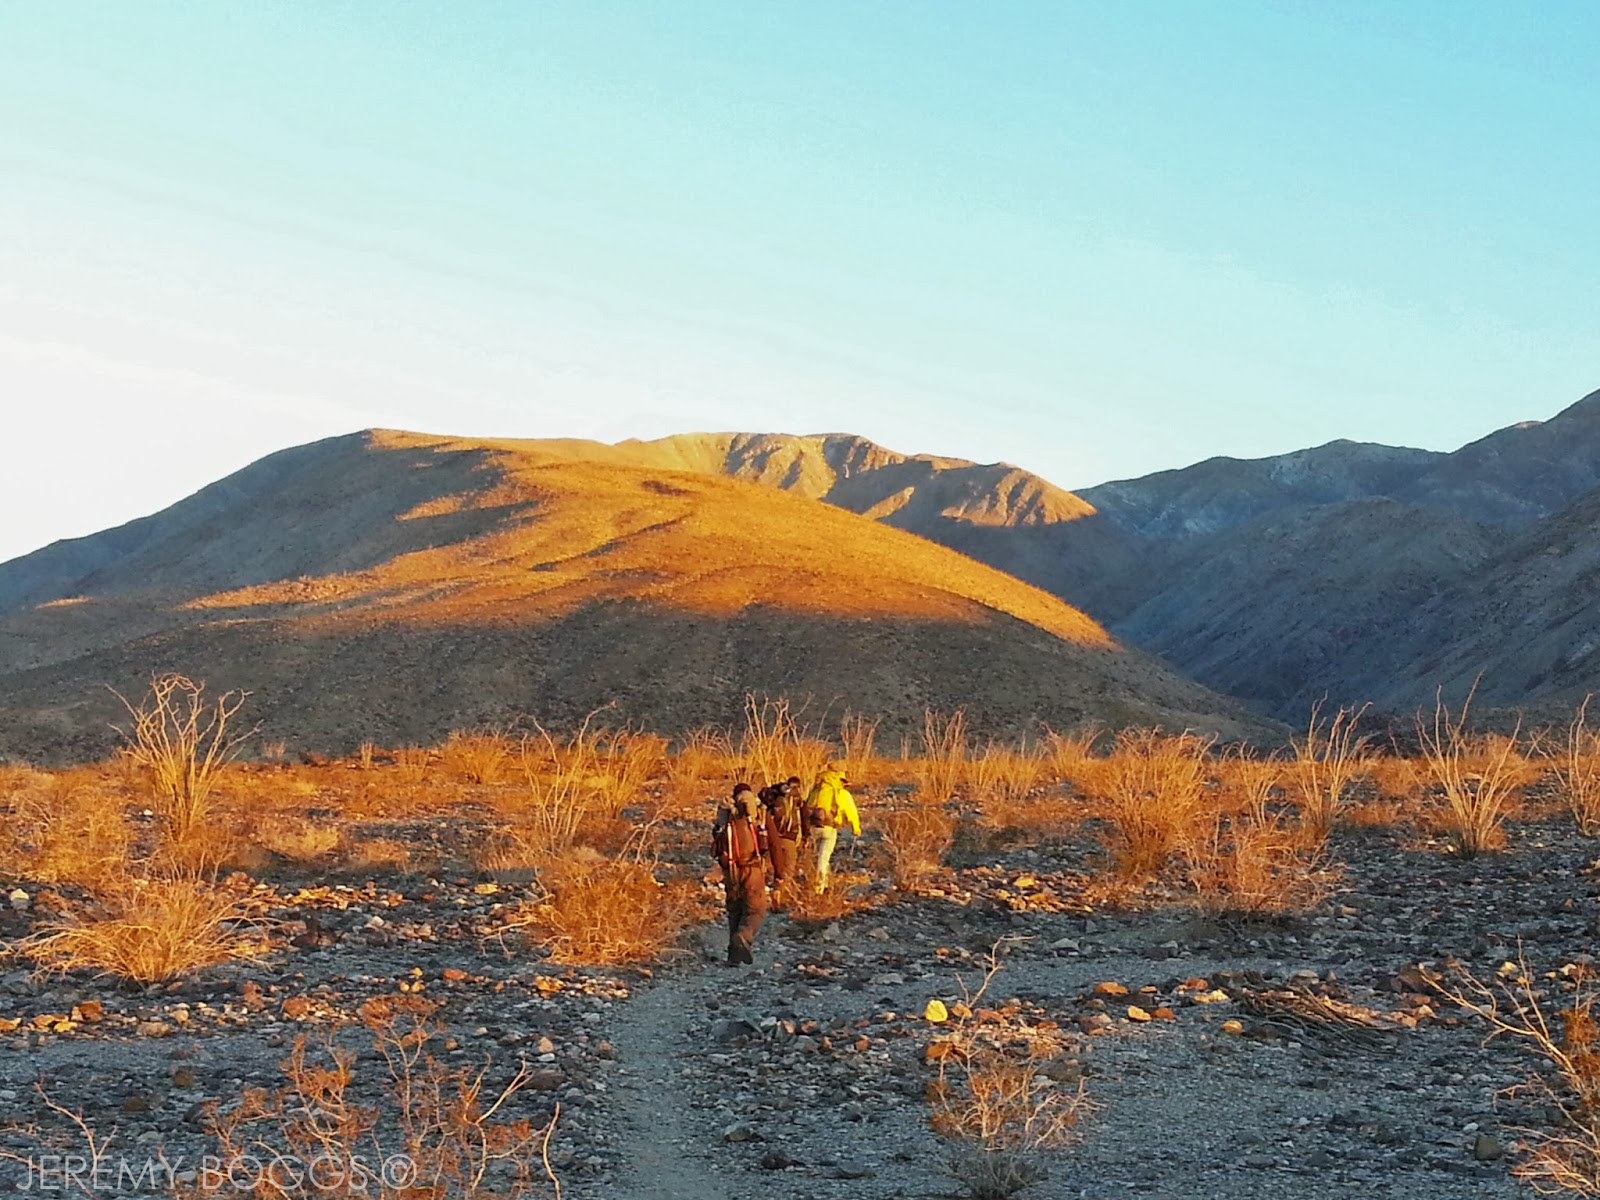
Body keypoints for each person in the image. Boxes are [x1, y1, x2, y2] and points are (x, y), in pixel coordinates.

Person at [713, 783, 770, 965]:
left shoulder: (726, 818)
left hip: (731, 870)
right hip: (751, 868)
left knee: (735, 910)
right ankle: (743, 937)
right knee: (756, 910)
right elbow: (771, 843)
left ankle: (733, 957)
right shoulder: (755, 816)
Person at [805, 767, 860, 893]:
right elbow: (852, 812)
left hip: (813, 827)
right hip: (829, 828)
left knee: (813, 856)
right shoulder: (842, 793)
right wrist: (856, 828)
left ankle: (817, 881)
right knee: (823, 858)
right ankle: (819, 888)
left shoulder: (817, 790)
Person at [759, 776, 807, 896]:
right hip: (790, 836)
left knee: (774, 862)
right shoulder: (798, 801)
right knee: (789, 864)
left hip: (774, 835)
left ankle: (770, 886)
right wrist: (806, 836)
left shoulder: (776, 798)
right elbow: (805, 819)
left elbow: (762, 798)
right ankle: (783, 890)